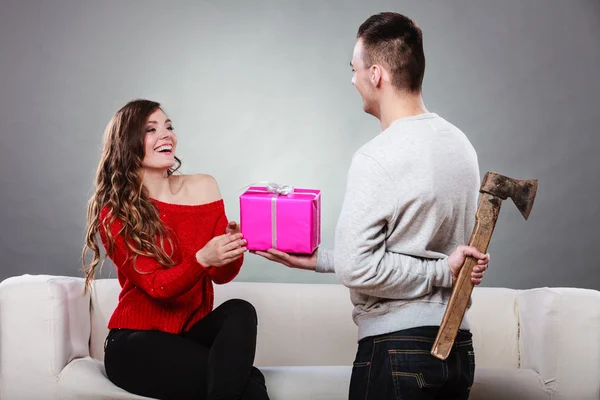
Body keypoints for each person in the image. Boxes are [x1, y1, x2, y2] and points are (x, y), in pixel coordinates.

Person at [254, 12, 489, 400]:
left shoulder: (377, 156)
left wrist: (439, 273)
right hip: (457, 350)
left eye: (354, 68)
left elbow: (362, 268)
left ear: (376, 74)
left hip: (397, 350)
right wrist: (322, 259)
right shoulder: (460, 145)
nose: (353, 80)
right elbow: (418, 243)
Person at [81, 99, 269, 400]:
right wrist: (202, 258)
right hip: (134, 344)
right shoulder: (116, 212)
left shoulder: (204, 186)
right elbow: (158, 286)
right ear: (128, 142)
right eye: (151, 129)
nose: (166, 135)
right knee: (249, 381)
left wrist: (230, 250)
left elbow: (221, 276)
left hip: (188, 339)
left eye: (169, 127)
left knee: (240, 312)